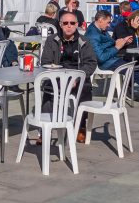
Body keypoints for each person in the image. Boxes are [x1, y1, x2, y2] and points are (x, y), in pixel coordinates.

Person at [40, 11, 98, 142]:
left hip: (78, 75)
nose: (69, 26)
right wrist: (60, 77)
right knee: (49, 90)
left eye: (72, 23)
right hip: (58, 75)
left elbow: (91, 63)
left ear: (77, 24)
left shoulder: (84, 41)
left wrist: (77, 77)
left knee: (85, 89)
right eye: (65, 23)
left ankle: (80, 127)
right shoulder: (52, 40)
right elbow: (45, 62)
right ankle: (44, 130)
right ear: (60, 24)